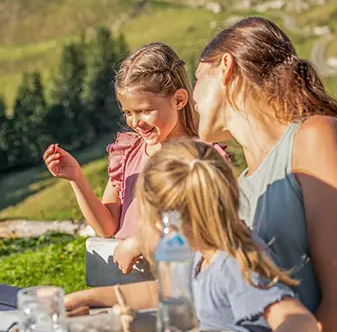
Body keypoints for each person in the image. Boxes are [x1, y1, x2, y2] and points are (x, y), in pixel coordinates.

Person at [192, 16, 337, 332]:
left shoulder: (316, 138)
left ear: (226, 67)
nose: (192, 94)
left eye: (197, 77)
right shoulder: (241, 185)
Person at [65, 140, 321, 332]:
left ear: (169, 221)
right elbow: (160, 292)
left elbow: (302, 324)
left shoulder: (232, 261)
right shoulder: (199, 252)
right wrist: (84, 299)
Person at [43, 43, 228, 275]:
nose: (135, 122)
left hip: (180, 283)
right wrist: (76, 178)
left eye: (145, 111)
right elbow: (106, 226)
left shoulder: (204, 156)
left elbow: (209, 224)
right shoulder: (128, 154)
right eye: (128, 113)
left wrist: (140, 242)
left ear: (179, 100)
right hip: (125, 280)